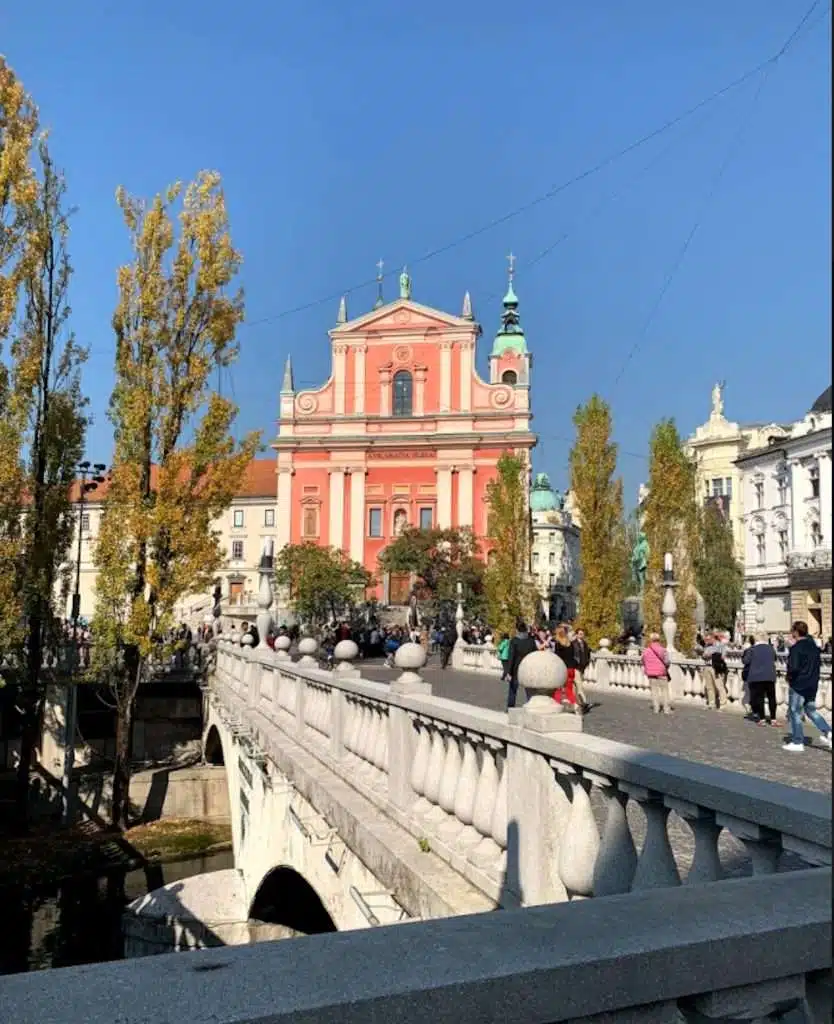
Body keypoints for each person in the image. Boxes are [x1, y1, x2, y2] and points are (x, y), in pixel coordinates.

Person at [783, 620, 833, 752]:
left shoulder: (796, 648)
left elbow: (793, 667)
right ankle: (828, 732)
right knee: (811, 710)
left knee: (795, 711)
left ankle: (797, 740)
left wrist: (789, 677)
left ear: (795, 632)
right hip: (812, 683)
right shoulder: (814, 647)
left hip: (799, 684)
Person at [742, 632, 779, 727]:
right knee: (772, 697)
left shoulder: (752, 649)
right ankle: (773, 719)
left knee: (760, 698)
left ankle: (762, 719)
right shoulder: (771, 649)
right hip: (770, 676)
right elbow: (774, 659)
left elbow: (745, 661)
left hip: (756, 676)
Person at [506, 620, 537, 709]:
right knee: (529, 690)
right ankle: (531, 707)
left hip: (516, 668)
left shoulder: (514, 641)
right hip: (528, 667)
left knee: (513, 691)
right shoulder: (531, 641)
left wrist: (508, 672)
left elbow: (511, 657)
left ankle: (510, 708)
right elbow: (535, 654)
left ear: (517, 629)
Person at [642, 632, 672, 714]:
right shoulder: (663, 650)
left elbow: (643, 661)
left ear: (650, 640)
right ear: (659, 640)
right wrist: (666, 667)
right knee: (665, 691)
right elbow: (667, 662)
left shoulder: (646, 651)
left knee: (654, 691)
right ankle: (666, 709)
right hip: (662, 672)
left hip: (651, 673)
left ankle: (656, 708)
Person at [552, 625, 578, 710]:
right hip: (571, 668)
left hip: (563, 668)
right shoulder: (570, 644)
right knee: (569, 688)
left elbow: (557, 657)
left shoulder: (558, 644)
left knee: (558, 687)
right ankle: (574, 703)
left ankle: (556, 703)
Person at [702, 632, 729, 710]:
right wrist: (704, 656)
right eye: (706, 639)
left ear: (713, 638)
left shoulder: (721, 645)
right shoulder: (707, 646)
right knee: (709, 686)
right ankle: (711, 703)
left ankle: (723, 704)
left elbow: (723, 656)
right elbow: (703, 655)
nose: (706, 641)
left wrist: (713, 655)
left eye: (708, 639)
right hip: (707, 667)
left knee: (719, 686)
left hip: (716, 668)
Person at [572, 627, 592, 713]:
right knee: (579, 685)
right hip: (575, 667)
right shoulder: (573, 644)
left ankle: (574, 703)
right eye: (580, 634)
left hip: (582, 667)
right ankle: (584, 703)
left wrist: (586, 663)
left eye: (582, 634)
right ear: (576, 635)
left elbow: (587, 655)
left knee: (574, 687)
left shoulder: (585, 644)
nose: (581, 635)